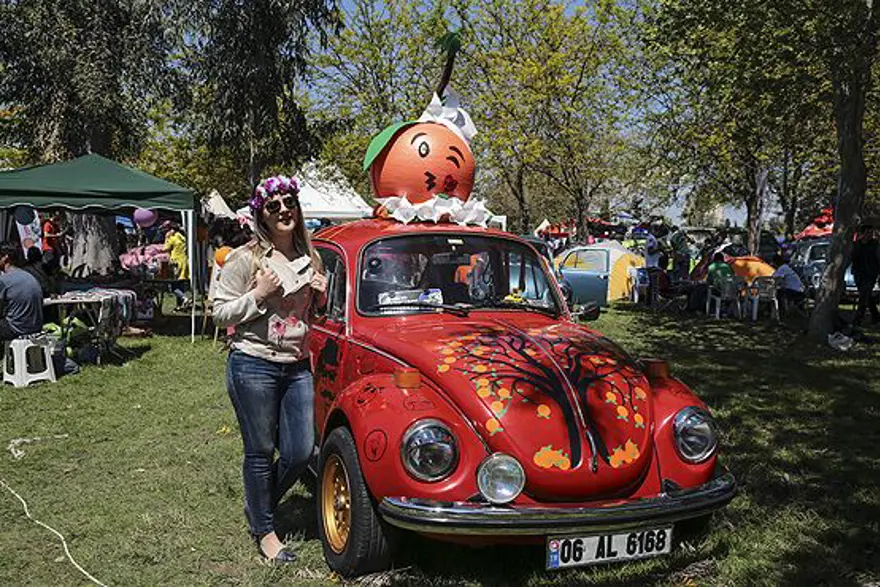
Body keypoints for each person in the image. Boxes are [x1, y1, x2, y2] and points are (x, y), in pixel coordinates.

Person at [213, 175, 327, 563]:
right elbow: (219, 312)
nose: (283, 210)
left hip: (297, 366)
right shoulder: (246, 259)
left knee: (299, 451)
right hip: (252, 364)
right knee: (260, 450)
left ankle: (257, 502)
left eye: (289, 202)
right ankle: (265, 531)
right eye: (274, 206)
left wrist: (323, 296)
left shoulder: (312, 258)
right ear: (261, 214)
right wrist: (258, 295)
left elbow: (313, 316)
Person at [0, 243, 44, 340]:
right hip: (36, 327)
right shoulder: (28, 276)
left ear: (5, 257)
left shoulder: (4, 280)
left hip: (17, 329)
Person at [852, 226, 880, 324]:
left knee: (864, 295)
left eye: (871, 233)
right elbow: (853, 258)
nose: (870, 235)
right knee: (866, 296)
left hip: (871, 273)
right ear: (863, 233)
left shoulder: (875, 245)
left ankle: (858, 318)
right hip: (859, 273)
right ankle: (876, 316)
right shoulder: (856, 245)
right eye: (868, 232)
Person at [162, 222, 191, 310]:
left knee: (173, 286)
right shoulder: (183, 237)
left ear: (172, 230)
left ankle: (184, 298)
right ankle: (180, 306)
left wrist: (166, 238)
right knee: (180, 284)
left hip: (176, 264)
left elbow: (165, 248)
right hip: (184, 262)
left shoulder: (173, 238)